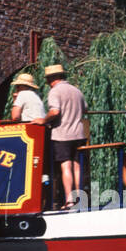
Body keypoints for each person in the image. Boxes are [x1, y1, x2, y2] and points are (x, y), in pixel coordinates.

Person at [44, 63, 87, 209]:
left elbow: (55, 111)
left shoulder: (55, 92)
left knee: (66, 167)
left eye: (48, 80)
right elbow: (85, 109)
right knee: (77, 167)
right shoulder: (77, 91)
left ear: (52, 79)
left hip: (62, 135)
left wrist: (43, 120)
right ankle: (80, 198)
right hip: (79, 134)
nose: (48, 83)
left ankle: (69, 200)